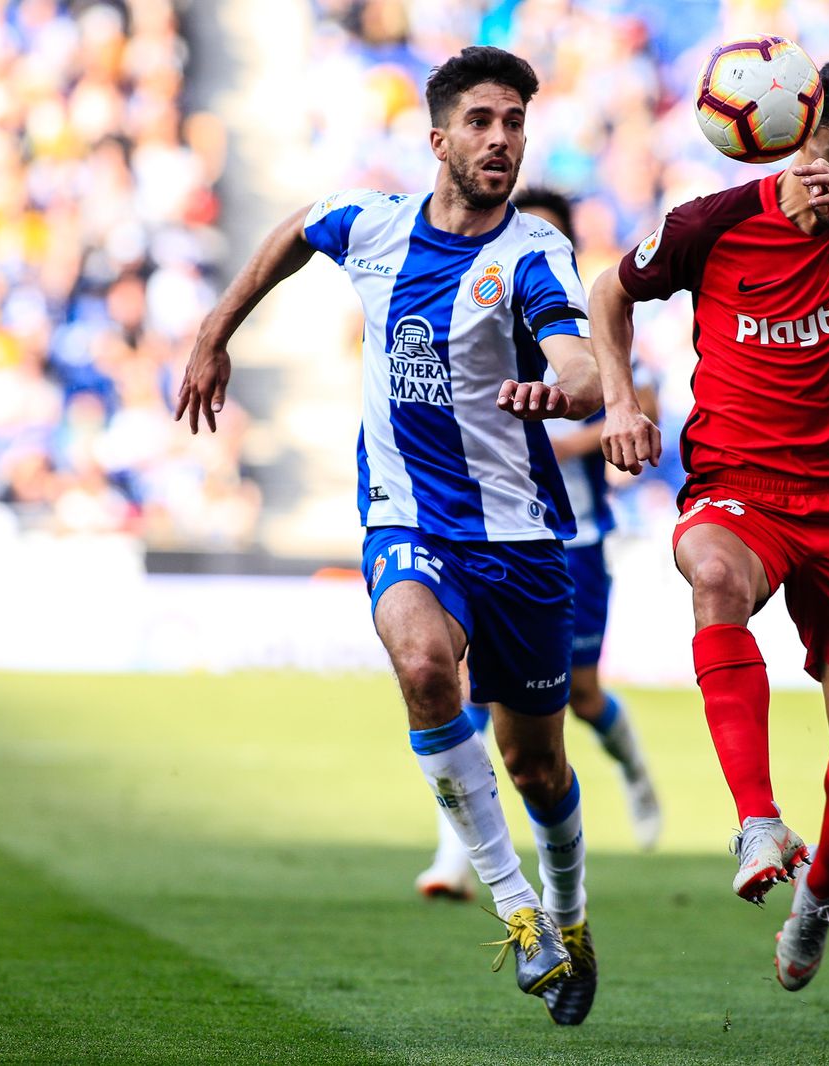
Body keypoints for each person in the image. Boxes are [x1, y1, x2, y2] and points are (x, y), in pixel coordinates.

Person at [174, 46, 603, 1024]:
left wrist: (562, 389)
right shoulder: (372, 225)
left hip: (522, 543)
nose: (502, 139)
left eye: (515, 123)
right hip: (409, 519)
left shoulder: (530, 251)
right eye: (484, 122)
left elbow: (579, 364)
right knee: (419, 664)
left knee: (536, 763)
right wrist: (216, 327)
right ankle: (518, 909)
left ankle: (572, 913)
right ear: (440, 138)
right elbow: (295, 228)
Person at [588, 55, 829, 991]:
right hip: (740, 483)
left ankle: (820, 895)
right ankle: (755, 818)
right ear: (795, 129)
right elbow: (608, 290)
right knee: (712, 577)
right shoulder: (712, 223)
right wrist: (619, 400)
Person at [415, 189, 663, 904]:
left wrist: (569, 414)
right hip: (482, 532)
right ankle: (454, 858)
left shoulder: (591, 331)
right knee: (459, 691)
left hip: (573, 540)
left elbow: (635, 416)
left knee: (580, 699)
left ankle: (635, 771)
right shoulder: (471, 316)